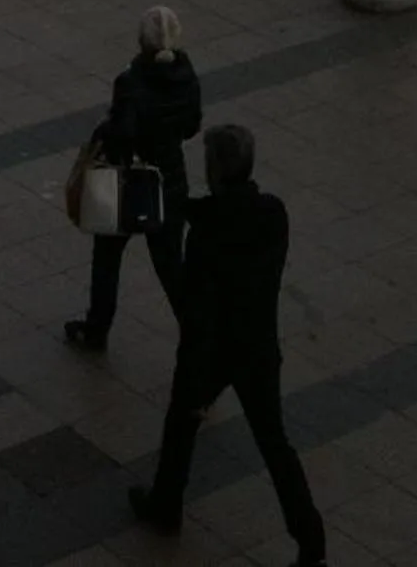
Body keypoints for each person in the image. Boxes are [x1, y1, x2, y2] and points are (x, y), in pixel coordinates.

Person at [130, 123, 324, 567]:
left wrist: (193, 375)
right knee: (275, 445)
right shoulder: (273, 214)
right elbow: (233, 217)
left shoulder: (205, 234)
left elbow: (199, 311)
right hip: (258, 349)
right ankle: (311, 542)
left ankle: (166, 505)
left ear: (215, 170)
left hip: (216, 352)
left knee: (181, 422)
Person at [65, 5, 200, 352]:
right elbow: (191, 126)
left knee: (107, 257)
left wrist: (105, 131)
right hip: (170, 182)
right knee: (171, 266)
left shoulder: (131, 81)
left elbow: (123, 134)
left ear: (141, 42)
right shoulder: (187, 75)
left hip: (129, 184)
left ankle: (97, 329)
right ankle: (199, 337)